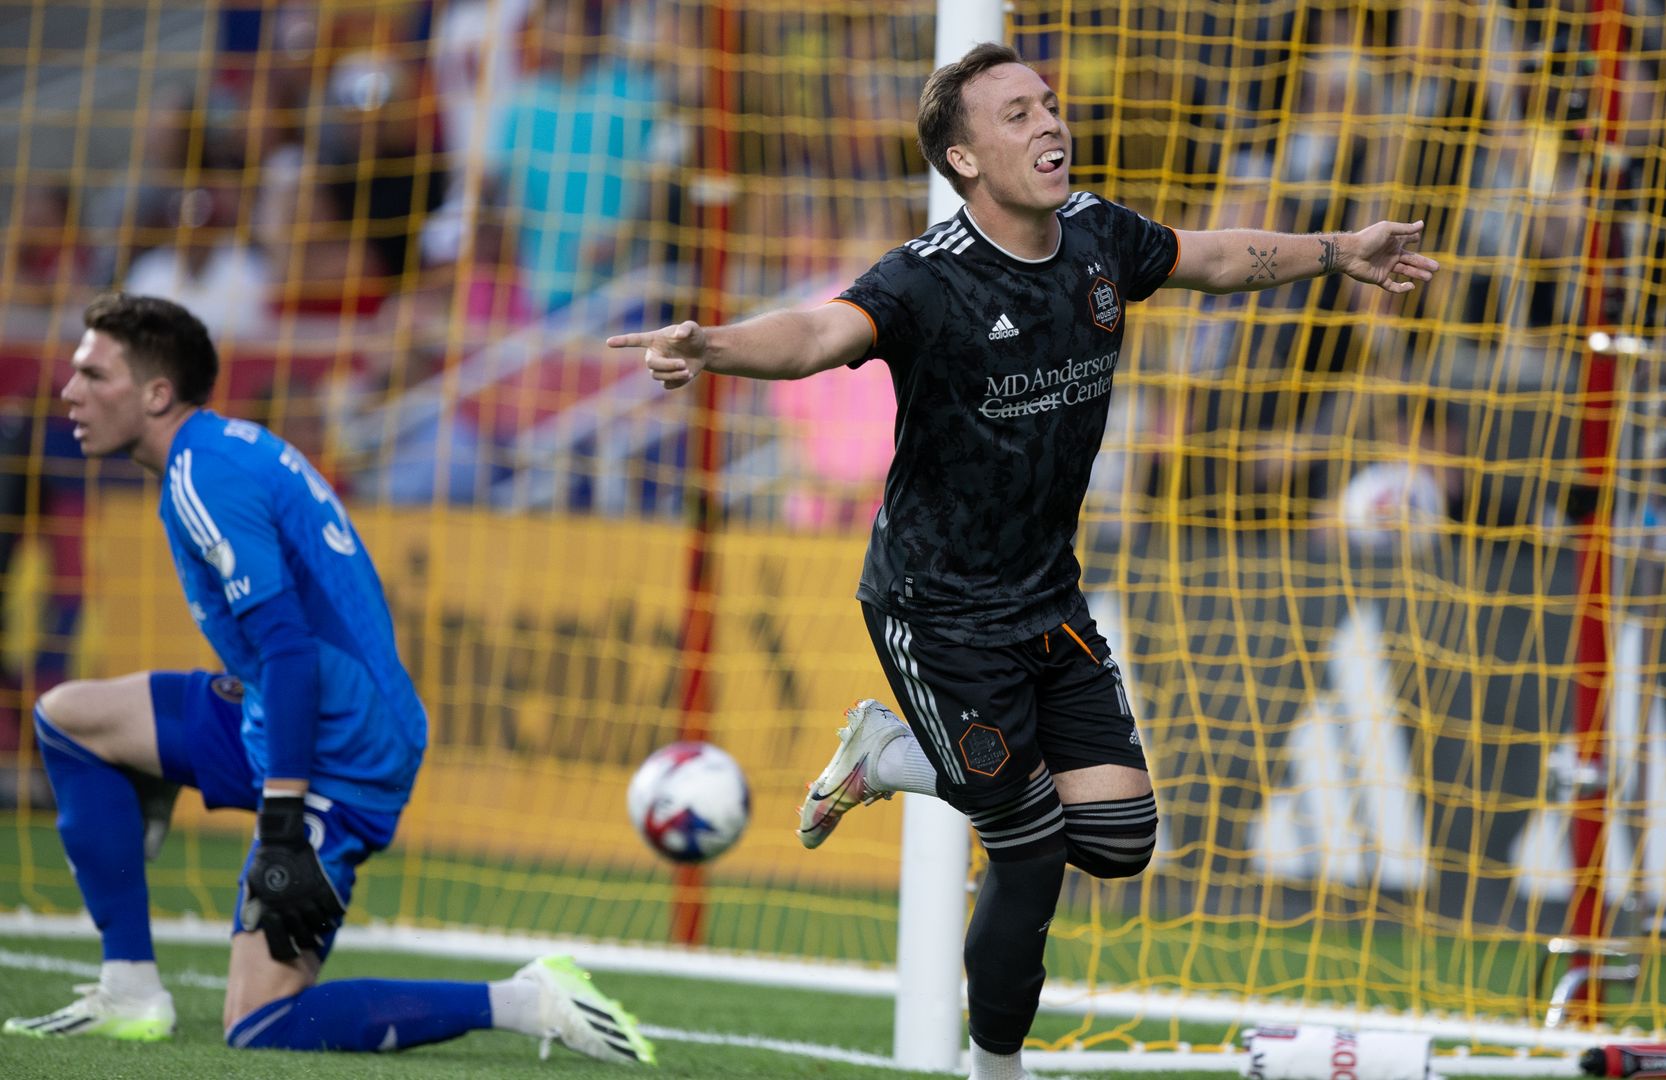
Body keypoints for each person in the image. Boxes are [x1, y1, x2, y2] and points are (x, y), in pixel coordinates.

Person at [607, 43, 1437, 1080]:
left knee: (1122, 840)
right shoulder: (927, 281)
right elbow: (821, 332)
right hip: (935, 609)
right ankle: (993, 1069)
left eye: (1047, 103)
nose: (1048, 124)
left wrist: (1338, 248)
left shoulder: (1097, 237)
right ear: (962, 158)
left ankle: (895, 758)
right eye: (1014, 116)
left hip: (1048, 594)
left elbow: (1215, 257)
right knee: (1030, 848)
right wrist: (714, 344)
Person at [4, 292, 653, 1066]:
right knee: (69, 717)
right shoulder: (217, 451)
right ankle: (129, 989)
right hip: (291, 716)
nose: (70, 391)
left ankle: (526, 998)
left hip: (341, 754)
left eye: (93, 374)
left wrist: (281, 821)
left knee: (261, 1023)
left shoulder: (201, 475)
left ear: (155, 394)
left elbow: (287, 650)